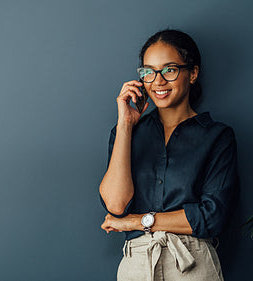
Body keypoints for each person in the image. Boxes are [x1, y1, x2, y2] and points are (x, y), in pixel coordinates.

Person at [99, 29, 239, 281]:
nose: (158, 81)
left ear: (192, 73)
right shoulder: (126, 133)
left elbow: (211, 217)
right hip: (137, 264)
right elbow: (116, 206)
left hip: (192, 262)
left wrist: (136, 222)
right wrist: (124, 124)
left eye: (170, 70)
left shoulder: (217, 136)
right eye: (149, 71)